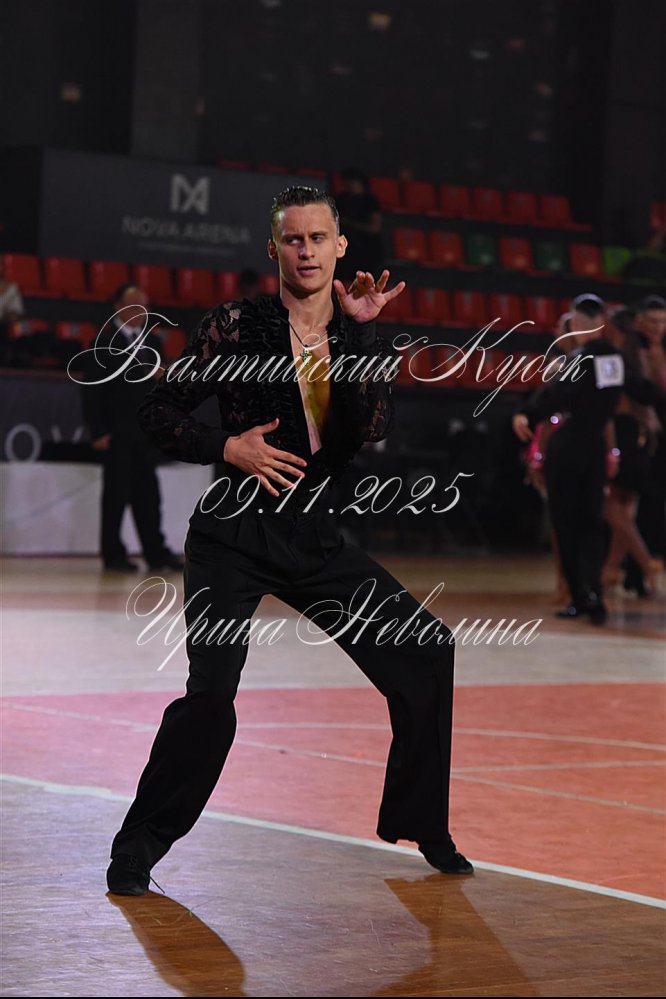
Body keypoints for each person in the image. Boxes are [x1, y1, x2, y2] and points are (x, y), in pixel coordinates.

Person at [106, 185, 473, 895]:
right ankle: (138, 846)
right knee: (211, 698)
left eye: (318, 238)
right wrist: (226, 445)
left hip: (314, 538)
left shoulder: (358, 332)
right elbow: (156, 409)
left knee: (426, 650)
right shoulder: (236, 325)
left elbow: (371, 429)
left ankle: (422, 821)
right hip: (233, 535)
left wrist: (363, 332)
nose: (306, 251)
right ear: (273, 249)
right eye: (293, 239)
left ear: (341, 247)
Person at [512, 293, 666, 624]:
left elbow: (555, 396)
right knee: (592, 521)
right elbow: (641, 389)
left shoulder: (578, 358)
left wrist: (527, 413)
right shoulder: (611, 357)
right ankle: (592, 594)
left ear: (576, 323)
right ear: (602, 323)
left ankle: (580, 596)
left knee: (566, 522)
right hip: (596, 446)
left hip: (567, 446)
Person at [80, 283, 184, 573]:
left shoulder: (153, 343)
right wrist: (97, 431)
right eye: (133, 304)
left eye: (144, 305)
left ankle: (156, 553)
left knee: (149, 496)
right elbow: (91, 391)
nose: (140, 310)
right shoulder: (103, 342)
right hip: (116, 432)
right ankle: (113, 554)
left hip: (145, 433)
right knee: (116, 495)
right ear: (118, 307)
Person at [334, 168, 384, 283]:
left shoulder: (370, 201)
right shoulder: (341, 199)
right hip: (345, 252)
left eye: (352, 182)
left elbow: (375, 228)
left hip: (367, 251)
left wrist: (350, 223)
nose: (349, 185)